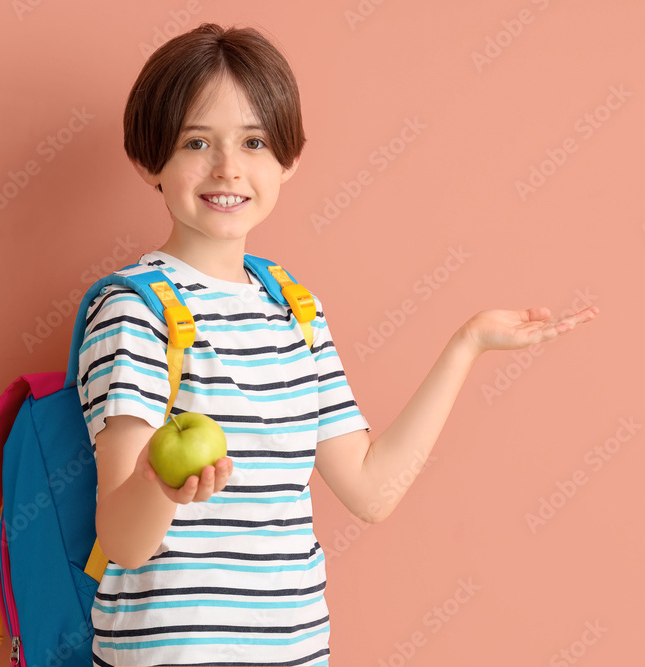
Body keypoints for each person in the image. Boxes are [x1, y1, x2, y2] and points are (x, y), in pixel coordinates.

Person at [78, 22, 597, 667]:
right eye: (196, 142)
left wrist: (467, 346)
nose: (228, 168)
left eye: (255, 142)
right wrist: (161, 481)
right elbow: (122, 542)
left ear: (289, 160)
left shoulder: (294, 309)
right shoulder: (133, 309)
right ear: (148, 159)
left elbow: (371, 491)